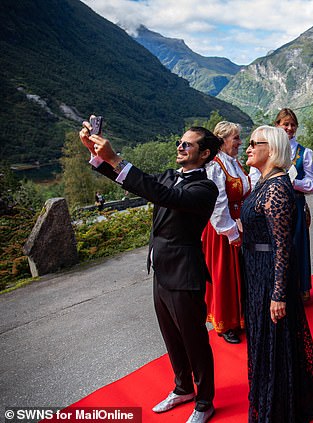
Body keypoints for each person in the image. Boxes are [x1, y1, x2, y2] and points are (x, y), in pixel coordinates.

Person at [79, 122, 222, 423]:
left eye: (188, 145)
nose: (180, 148)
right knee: (171, 336)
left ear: (205, 153)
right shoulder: (171, 175)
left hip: (185, 273)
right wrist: (98, 156)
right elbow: (137, 183)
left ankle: (205, 401)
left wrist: (116, 157)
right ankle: (183, 388)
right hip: (161, 270)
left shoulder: (205, 188)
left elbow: (164, 196)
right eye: (180, 142)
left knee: (194, 340)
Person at [241, 126, 313, 422]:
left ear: (270, 149)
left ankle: (280, 404)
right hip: (258, 270)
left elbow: (283, 246)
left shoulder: (277, 187)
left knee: (275, 339)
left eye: (253, 144)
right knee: (266, 339)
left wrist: (279, 294)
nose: (247, 148)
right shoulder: (264, 181)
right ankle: (277, 394)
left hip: (271, 274)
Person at [201, 121, 251, 344]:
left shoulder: (233, 162)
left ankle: (239, 316)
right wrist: (231, 232)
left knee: (239, 273)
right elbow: (217, 205)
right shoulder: (215, 166)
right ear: (222, 142)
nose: (240, 143)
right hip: (222, 228)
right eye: (236, 139)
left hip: (239, 221)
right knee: (224, 275)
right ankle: (225, 323)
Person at [263, 108, 313, 302]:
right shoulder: (269, 150)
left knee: (297, 244)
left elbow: (312, 184)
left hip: (296, 203)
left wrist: (293, 182)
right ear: (277, 125)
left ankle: (301, 287)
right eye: (285, 124)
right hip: (272, 204)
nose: (289, 128)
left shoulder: (305, 152)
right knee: (276, 245)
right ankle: (279, 290)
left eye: (292, 124)